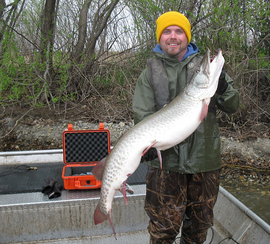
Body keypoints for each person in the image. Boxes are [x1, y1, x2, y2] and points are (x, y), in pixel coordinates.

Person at [132, 11, 240, 244]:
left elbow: (233, 105)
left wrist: (222, 88)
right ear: (160, 37)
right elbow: (142, 114)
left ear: (187, 37)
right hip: (165, 166)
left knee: (198, 231)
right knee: (162, 231)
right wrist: (145, 146)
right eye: (167, 31)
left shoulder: (207, 70)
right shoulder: (149, 73)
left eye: (179, 31)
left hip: (204, 163)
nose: (173, 36)